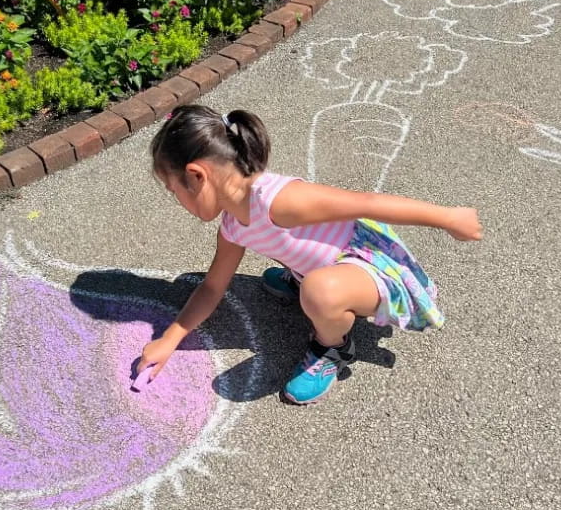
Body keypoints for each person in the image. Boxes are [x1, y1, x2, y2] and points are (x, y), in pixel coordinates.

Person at [136, 104, 483, 404]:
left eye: (173, 189)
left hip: (368, 265)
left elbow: (369, 203)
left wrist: (447, 217)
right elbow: (213, 287)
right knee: (312, 284)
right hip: (325, 267)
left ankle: (332, 346)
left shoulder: (280, 200)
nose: (176, 200)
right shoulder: (232, 226)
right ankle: (307, 283)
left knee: (319, 293)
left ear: (196, 176)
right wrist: (170, 339)